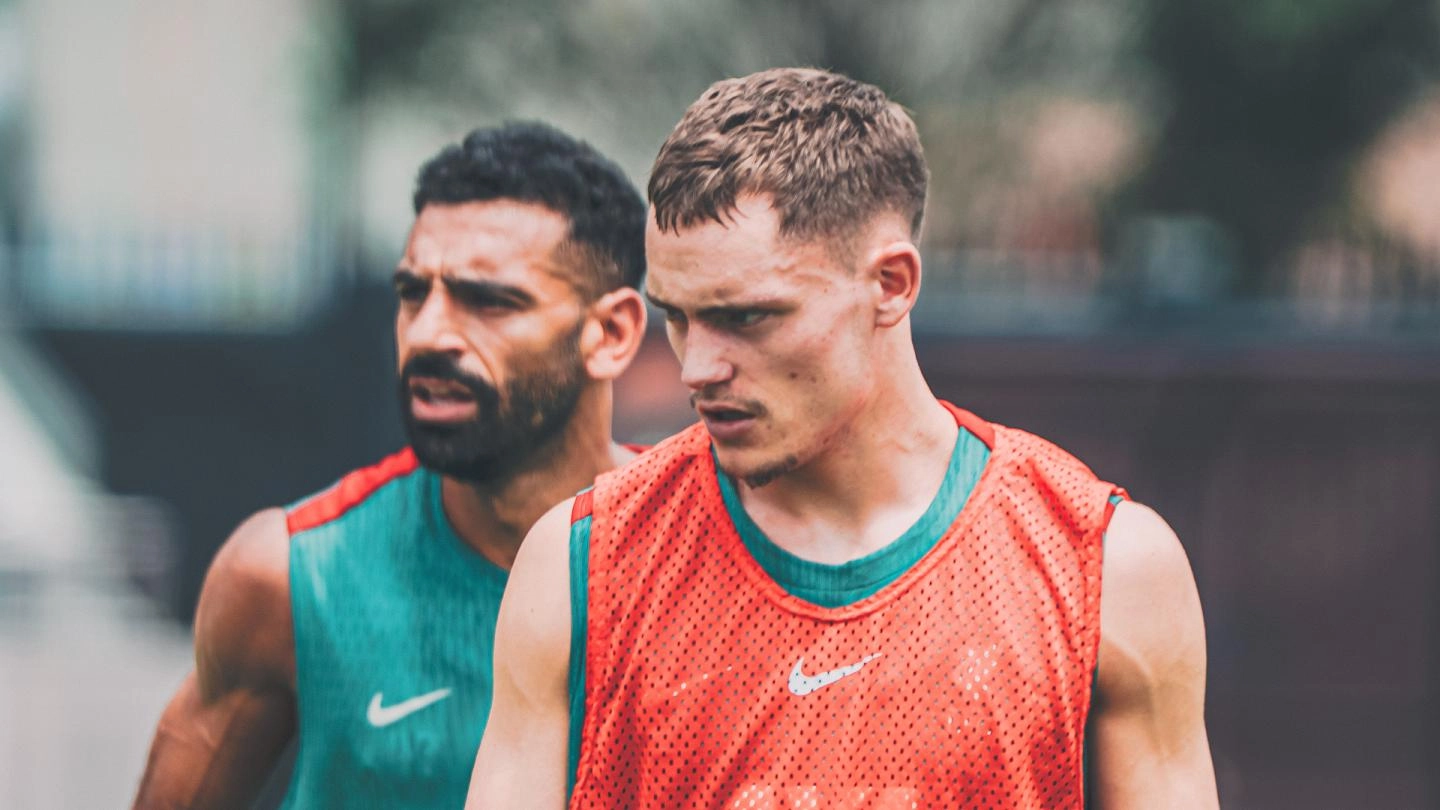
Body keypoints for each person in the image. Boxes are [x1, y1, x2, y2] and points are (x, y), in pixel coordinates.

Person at [469, 69, 1218, 809]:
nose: (697, 367)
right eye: (680, 317)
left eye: (747, 317)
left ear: (890, 284)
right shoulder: (582, 569)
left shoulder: (1104, 567)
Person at [131, 121, 648, 810]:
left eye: (488, 300)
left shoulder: (713, 557)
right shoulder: (290, 576)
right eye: (413, 293)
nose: (429, 333)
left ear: (610, 334)